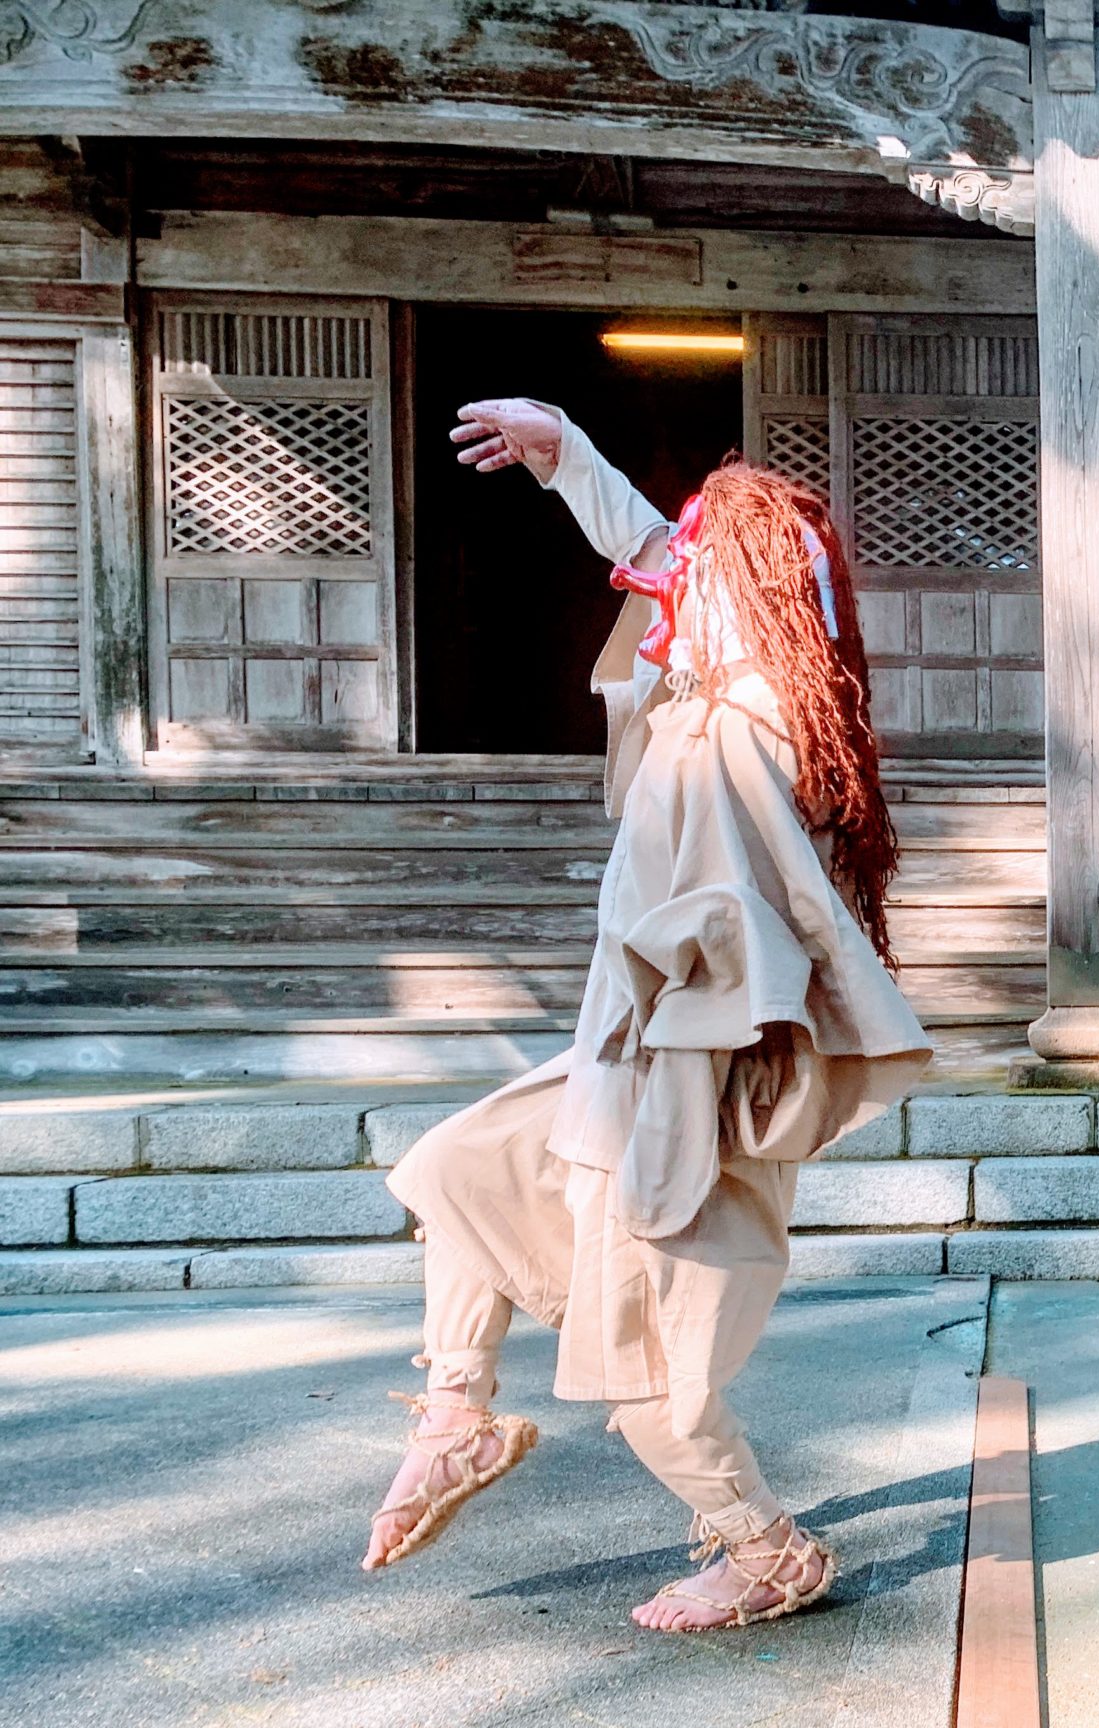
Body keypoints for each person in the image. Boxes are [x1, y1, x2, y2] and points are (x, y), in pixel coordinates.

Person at [362, 399, 932, 1632]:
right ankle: (457, 1417)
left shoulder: (748, 727)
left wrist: (667, 1065)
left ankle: (767, 1552)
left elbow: (752, 939)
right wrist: (567, 451)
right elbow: (654, 553)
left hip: (695, 1085)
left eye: (700, 563)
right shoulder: (719, 699)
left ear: (752, 591)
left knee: (644, 1382)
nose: (667, 575)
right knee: (455, 1165)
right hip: (624, 1058)